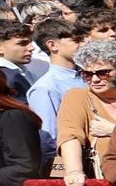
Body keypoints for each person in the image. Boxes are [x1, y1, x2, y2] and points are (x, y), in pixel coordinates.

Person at [54, 39, 116, 186]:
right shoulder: (78, 97)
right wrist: (74, 172)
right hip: (101, 182)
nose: (94, 79)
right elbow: (70, 136)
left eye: (103, 73)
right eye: (87, 74)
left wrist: (114, 130)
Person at [25, 18, 83, 169]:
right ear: (52, 45)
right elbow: (49, 137)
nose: (83, 45)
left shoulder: (85, 76)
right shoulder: (46, 87)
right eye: (76, 41)